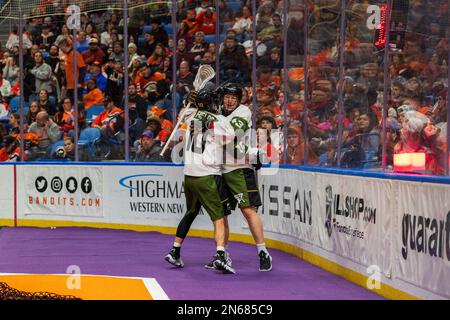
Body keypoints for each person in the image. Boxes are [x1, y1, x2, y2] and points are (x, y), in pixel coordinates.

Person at [164, 88, 235, 274]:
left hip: (189, 174)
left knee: (191, 211)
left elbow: (185, 112)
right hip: (208, 174)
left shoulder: (189, 116)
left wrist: (190, 100)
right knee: (219, 217)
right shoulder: (219, 120)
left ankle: (175, 250)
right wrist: (213, 124)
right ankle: (220, 255)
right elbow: (231, 137)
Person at [212, 83, 273, 272]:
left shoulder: (243, 112)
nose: (229, 100)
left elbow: (229, 135)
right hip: (220, 169)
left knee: (248, 210)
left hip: (240, 169)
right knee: (221, 215)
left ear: (238, 100)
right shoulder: (218, 112)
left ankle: (263, 252)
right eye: (226, 97)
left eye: (233, 97)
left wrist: (211, 118)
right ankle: (223, 255)